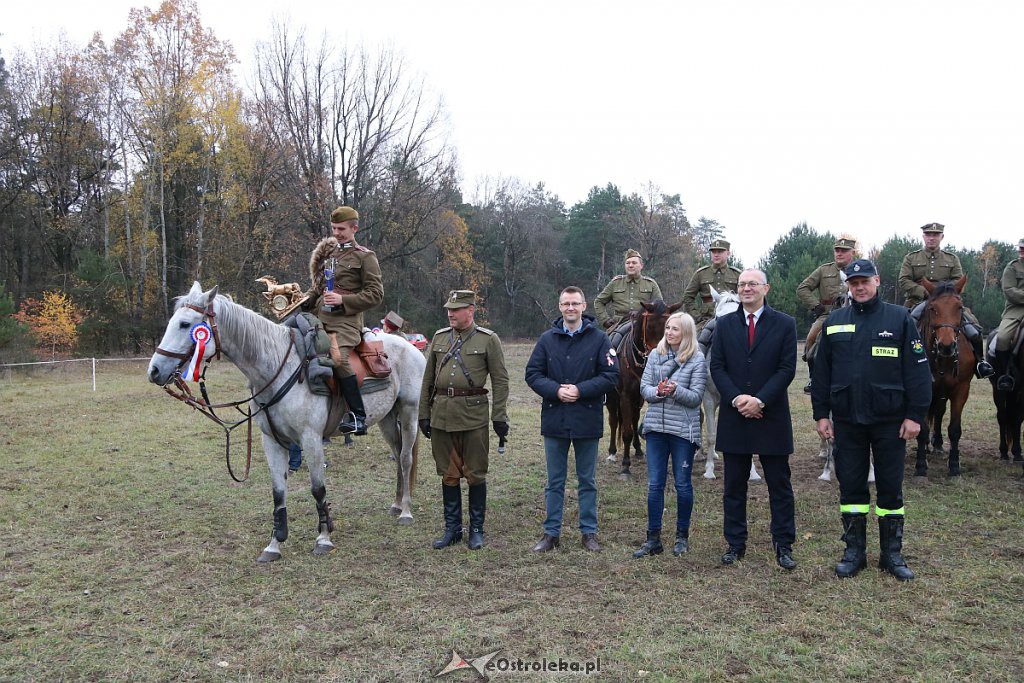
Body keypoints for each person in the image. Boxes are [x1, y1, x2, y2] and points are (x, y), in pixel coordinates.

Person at [812, 259, 932, 580]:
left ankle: (892, 555)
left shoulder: (900, 319)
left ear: (877, 281)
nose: (859, 287)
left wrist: (915, 416)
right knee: (851, 488)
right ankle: (854, 552)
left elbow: (919, 372)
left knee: (890, 490)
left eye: (865, 281)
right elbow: (821, 373)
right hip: (848, 421)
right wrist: (821, 414)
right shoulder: (835, 321)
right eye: (853, 283)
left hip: (890, 421)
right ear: (848, 286)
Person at [709, 268, 798, 570]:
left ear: (766, 288)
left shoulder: (785, 324)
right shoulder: (723, 325)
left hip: (770, 414)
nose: (746, 289)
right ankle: (735, 543)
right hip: (735, 415)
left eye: (752, 284)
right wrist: (736, 399)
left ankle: (783, 544)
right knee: (734, 485)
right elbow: (717, 367)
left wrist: (760, 400)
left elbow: (786, 369)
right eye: (742, 285)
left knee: (779, 485)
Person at [525, 287, 619, 553]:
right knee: (555, 481)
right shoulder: (547, 339)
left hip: (586, 419)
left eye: (575, 303)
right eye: (566, 303)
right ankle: (551, 533)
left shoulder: (600, 339)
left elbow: (611, 376)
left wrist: (580, 390)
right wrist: (555, 390)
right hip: (555, 419)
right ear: (559, 307)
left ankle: (589, 533)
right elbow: (532, 373)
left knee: (587, 480)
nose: (570, 308)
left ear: (583, 305)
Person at [418, 290, 510, 550]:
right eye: (448, 309)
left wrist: (499, 416)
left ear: (470, 310)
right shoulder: (438, 337)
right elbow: (427, 380)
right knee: (448, 474)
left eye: (456, 309)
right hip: (442, 416)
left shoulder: (488, 339)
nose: (450, 313)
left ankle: (477, 529)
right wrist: (424, 413)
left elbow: (500, 380)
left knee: (475, 474)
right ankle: (453, 529)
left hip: (473, 416)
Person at [632, 312, 706, 558]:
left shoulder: (697, 358)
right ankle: (653, 539)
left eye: (675, 329)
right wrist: (659, 391)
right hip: (656, 429)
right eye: (667, 328)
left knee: (683, 485)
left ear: (686, 333)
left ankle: (681, 537)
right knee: (655, 484)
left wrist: (675, 391)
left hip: (683, 431)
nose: (669, 332)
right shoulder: (655, 354)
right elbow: (645, 388)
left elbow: (696, 398)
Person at [307, 205, 384, 435]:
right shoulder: (329, 255)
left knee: (337, 358)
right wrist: (299, 300)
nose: (337, 233)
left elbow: (376, 294)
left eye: (341, 228)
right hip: (320, 318)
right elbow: (318, 289)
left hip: (347, 323)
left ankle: (358, 416)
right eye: (333, 228)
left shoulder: (365, 257)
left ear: (354, 228)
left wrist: (343, 300)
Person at [899, 222, 993, 378]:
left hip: (946, 302)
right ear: (923, 237)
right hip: (918, 300)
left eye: (935, 235)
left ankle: (980, 362)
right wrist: (923, 291)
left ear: (941, 237)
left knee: (973, 328)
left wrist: (943, 294)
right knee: (906, 328)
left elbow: (958, 280)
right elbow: (904, 280)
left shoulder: (952, 258)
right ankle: (899, 363)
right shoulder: (911, 258)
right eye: (928, 235)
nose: (932, 238)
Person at [796, 235, 857, 393]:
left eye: (844, 250)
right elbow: (802, 288)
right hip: (828, 314)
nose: (839, 253)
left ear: (853, 252)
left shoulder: (860, 268)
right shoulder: (824, 270)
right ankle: (813, 378)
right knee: (811, 338)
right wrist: (815, 305)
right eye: (837, 250)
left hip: (856, 314)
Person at [593, 249, 663, 330]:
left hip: (643, 326)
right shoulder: (615, 283)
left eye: (634, 263)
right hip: (618, 326)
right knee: (609, 342)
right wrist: (605, 320)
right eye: (628, 263)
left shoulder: (651, 284)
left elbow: (659, 307)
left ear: (641, 265)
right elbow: (598, 302)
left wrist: (642, 314)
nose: (630, 265)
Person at [682, 239, 741, 328]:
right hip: (706, 320)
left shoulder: (737, 274)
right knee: (696, 340)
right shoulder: (701, 273)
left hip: (732, 319)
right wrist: (697, 316)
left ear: (728, 253)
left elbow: (744, 296)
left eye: (720, 252)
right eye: (713, 252)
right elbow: (688, 297)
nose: (716, 255)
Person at [993, 239, 1024, 391]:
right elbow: (1009, 290)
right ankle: (1005, 374)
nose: (1022, 251)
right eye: (1021, 248)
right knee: (1003, 337)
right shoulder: (1012, 267)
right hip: (1016, 309)